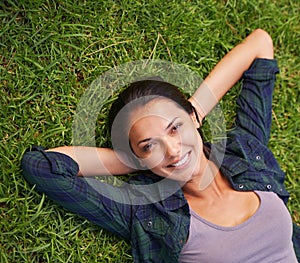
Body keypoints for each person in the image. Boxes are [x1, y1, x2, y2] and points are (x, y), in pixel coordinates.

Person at [21, 29, 299, 262]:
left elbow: (260, 45)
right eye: (149, 144)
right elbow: (42, 167)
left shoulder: (246, 151)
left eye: (175, 128)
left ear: (193, 119)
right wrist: (137, 158)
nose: (174, 150)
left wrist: (195, 110)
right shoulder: (147, 213)